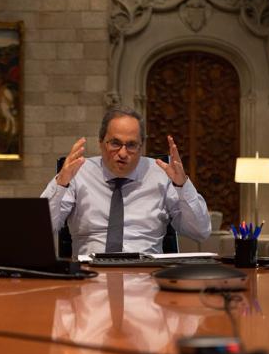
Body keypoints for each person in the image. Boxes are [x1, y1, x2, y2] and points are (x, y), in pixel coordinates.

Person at [41, 105, 210, 256]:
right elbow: (40, 230)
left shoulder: (162, 175)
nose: (122, 153)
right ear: (101, 143)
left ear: (141, 146)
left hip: (146, 277)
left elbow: (200, 231)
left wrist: (182, 186)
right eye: (115, 143)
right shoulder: (78, 173)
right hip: (90, 276)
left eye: (131, 145)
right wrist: (61, 183)